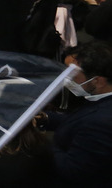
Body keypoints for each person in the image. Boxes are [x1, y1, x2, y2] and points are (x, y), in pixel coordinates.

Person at [40, 41, 112, 183]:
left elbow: (72, 171)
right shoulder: (100, 99)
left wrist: (36, 142)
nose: (65, 79)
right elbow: (78, 122)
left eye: (71, 74)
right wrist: (44, 118)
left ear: (98, 81)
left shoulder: (101, 123)